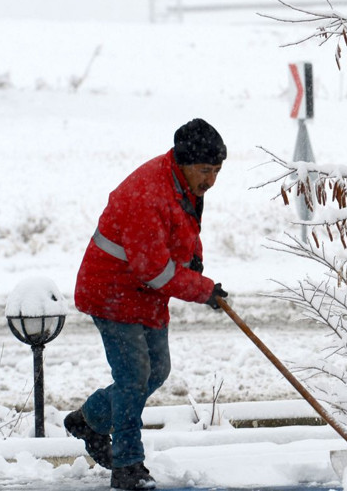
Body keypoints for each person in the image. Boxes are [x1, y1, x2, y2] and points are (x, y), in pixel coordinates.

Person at [65, 118, 230, 491]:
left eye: (217, 171)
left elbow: (184, 230)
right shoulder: (149, 193)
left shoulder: (184, 184)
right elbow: (152, 269)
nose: (211, 180)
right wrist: (201, 289)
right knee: (133, 377)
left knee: (157, 370)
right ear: (184, 162)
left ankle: (88, 419)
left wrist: (195, 261)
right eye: (206, 171)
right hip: (111, 291)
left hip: (144, 294)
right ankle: (127, 465)